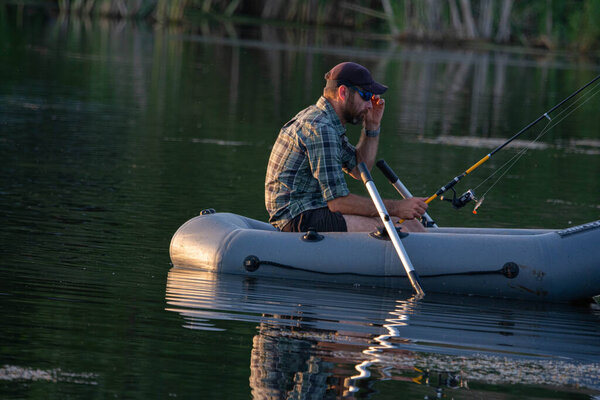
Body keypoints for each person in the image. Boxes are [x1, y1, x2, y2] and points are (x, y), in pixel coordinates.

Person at [265, 61, 428, 233]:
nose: (370, 105)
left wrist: (372, 127)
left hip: (314, 210)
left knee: (411, 225)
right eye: (366, 96)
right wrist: (396, 207)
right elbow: (338, 202)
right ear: (343, 92)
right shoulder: (321, 128)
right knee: (403, 228)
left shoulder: (326, 122)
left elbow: (359, 169)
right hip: (298, 217)